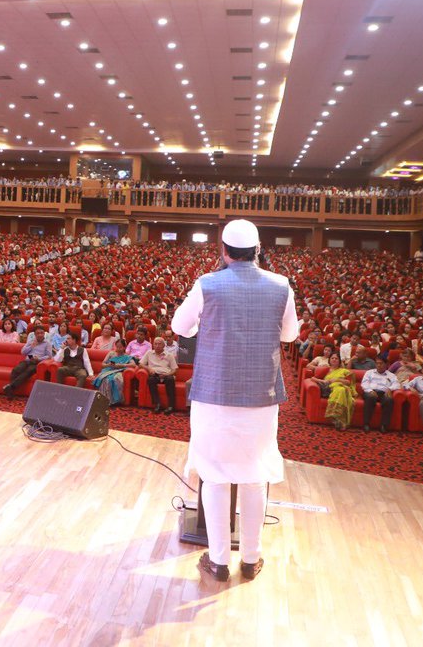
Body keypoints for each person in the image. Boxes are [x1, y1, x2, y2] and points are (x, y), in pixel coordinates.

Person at [171, 218, 298, 583]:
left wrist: (202, 327)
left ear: (223, 251)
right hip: (261, 397)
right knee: (254, 475)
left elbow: (181, 326)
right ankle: (251, 559)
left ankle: (219, 561)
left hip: (213, 396)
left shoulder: (207, 284)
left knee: (214, 476)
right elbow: (289, 334)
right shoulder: (280, 285)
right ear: (258, 250)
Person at [3, 325, 52, 398]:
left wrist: (39, 358)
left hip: (38, 363)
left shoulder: (47, 343)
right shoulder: (31, 341)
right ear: (35, 334)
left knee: (28, 371)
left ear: (44, 333)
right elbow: (23, 352)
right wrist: (31, 346)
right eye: (38, 333)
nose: (40, 335)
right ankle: (10, 391)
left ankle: (11, 387)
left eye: (42, 333)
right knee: (16, 369)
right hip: (28, 360)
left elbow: (49, 356)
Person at [141, 337, 179, 414]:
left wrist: (167, 374)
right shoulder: (149, 353)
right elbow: (141, 364)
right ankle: (158, 404)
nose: (157, 346)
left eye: (159, 344)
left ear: (164, 345)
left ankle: (171, 406)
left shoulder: (169, 355)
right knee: (150, 380)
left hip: (166, 374)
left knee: (170, 379)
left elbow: (175, 369)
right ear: (153, 345)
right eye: (155, 344)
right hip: (155, 374)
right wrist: (149, 369)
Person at [91, 339, 133, 406]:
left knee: (113, 379)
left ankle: (113, 401)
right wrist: (109, 365)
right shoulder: (111, 353)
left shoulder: (127, 356)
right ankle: (103, 400)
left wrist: (121, 365)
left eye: (120, 347)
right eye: (117, 347)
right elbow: (103, 364)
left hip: (118, 371)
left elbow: (133, 365)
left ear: (124, 347)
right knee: (105, 379)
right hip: (108, 369)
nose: (118, 349)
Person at [360, 363, 400, 433]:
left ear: (386, 365)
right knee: (370, 397)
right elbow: (364, 383)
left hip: (383, 393)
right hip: (370, 392)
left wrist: (390, 389)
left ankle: (384, 426)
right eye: (377, 363)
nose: (379, 365)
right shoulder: (369, 372)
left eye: (381, 364)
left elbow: (397, 384)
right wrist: (370, 390)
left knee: (389, 400)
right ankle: (366, 424)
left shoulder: (391, 375)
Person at [324, 359, 357, 431]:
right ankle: (341, 421)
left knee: (342, 390)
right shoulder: (325, 369)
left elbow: (348, 382)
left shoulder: (343, 370)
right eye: (332, 358)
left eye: (336, 358)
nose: (334, 360)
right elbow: (314, 378)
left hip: (342, 387)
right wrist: (326, 381)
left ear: (339, 361)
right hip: (331, 389)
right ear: (329, 360)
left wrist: (337, 380)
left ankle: (338, 419)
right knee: (341, 390)